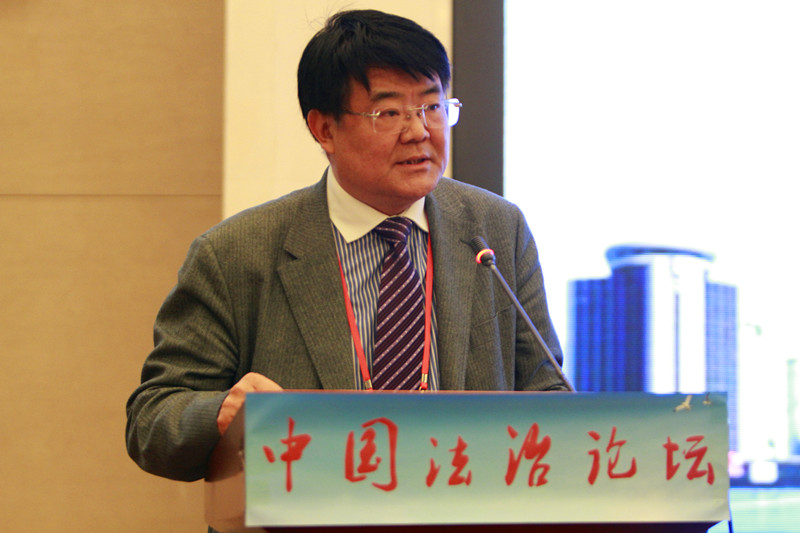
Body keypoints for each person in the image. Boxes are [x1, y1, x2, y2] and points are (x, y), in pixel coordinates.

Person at [126, 9, 568, 483]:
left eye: (433, 106)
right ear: (324, 129)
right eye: (389, 113)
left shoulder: (496, 229)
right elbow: (153, 420)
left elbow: (547, 393)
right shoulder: (236, 253)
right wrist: (221, 412)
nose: (419, 131)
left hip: (472, 502)